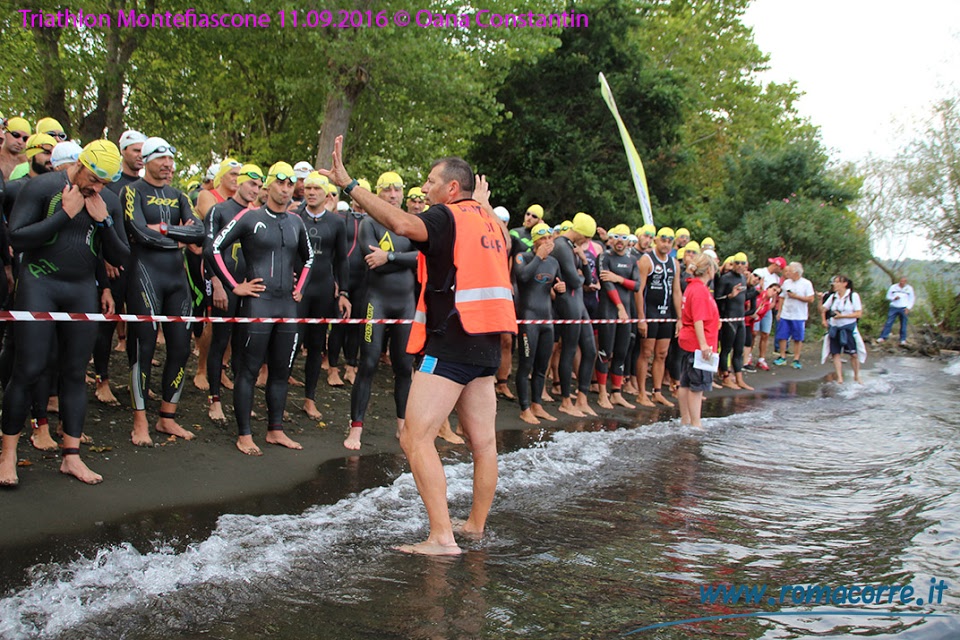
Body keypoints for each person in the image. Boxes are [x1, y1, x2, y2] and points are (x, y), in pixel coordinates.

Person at [321, 136, 516, 555]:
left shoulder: (447, 216)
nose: (423, 189)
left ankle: (442, 538)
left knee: (415, 437)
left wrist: (350, 185)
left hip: (451, 341)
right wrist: (482, 204)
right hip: (486, 344)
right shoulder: (488, 222)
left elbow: (403, 225)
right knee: (484, 444)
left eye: (430, 181)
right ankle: (475, 527)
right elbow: (508, 244)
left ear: (450, 189)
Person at [0, 140, 129, 486]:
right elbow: (18, 239)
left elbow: (120, 257)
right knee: (28, 368)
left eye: (105, 183)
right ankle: (8, 454)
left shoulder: (108, 202)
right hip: (39, 283)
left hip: (80, 290)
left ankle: (71, 457)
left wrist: (104, 223)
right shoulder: (42, 188)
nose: (97, 188)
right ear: (81, 164)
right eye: (94, 180)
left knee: (74, 373)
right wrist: (65, 215)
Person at [210, 161, 314, 455]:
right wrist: (234, 286)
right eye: (280, 183)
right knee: (248, 370)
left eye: (290, 184)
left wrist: (300, 288)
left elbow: (308, 259)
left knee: (281, 371)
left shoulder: (296, 222)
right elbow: (214, 248)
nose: (285, 189)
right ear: (268, 187)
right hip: (257, 302)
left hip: (287, 305)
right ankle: (244, 434)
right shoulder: (250, 216)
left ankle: (275, 430)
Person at [122, 137, 206, 446]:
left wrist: (165, 230)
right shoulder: (131, 191)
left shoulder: (179, 194)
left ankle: (166, 418)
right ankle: (140, 420)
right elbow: (139, 231)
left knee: (181, 347)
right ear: (146, 161)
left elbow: (199, 232)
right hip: (144, 274)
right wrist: (176, 237)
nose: (169, 165)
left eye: (171, 160)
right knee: (143, 347)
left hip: (175, 278)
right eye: (162, 159)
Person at [343, 170, 417, 450]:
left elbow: (422, 258)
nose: (394, 195)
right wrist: (401, 259)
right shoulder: (369, 223)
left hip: (405, 303)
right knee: (369, 363)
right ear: (378, 193)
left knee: (403, 367)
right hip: (377, 302)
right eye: (388, 190)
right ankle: (356, 429)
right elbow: (369, 258)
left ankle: (402, 427)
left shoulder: (412, 223)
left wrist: (389, 256)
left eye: (398, 190)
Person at [202, 164, 264, 423]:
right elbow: (209, 250)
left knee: (242, 344)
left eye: (260, 186)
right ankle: (214, 400)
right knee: (220, 341)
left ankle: (241, 399)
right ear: (239, 182)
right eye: (251, 184)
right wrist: (217, 283)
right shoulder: (220, 210)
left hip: (248, 287)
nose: (255, 190)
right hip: (225, 285)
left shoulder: (257, 214)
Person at [296, 172, 349, 416]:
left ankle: (310, 398)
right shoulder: (294, 216)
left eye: (317, 188)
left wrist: (344, 292)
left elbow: (341, 260)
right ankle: (277, 397)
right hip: (297, 292)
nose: (311, 192)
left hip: (322, 290)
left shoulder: (337, 222)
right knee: (288, 344)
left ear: (327, 194)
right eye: (308, 187)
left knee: (316, 346)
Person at [551, 212, 600, 417]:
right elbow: (573, 280)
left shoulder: (572, 248)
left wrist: (583, 260)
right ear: (580, 232)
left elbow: (587, 280)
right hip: (568, 303)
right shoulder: (561, 246)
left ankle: (582, 397)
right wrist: (579, 276)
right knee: (569, 350)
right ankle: (565, 400)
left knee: (590, 350)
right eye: (587, 238)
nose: (588, 242)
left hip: (578, 303)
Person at [514, 222, 562, 424]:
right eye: (543, 238)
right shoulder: (523, 257)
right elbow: (523, 277)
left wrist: (561, 288)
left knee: (542, 366)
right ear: (535, 240)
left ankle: (537, 405)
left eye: (550, 238)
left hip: (546, 319)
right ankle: (524, 408)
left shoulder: (553, 262)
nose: (548, 242)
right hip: (528, 318)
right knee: (526, 365)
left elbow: (558, 284)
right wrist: (538, 257)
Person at [636, 226, 682, 407]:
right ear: (656, 240)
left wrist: (679, 318)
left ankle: (656, 392)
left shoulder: (674, 263)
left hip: (667, 314)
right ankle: (641, 393)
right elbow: (639, 291)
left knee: (662, 354)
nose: (666, 244)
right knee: (646, 353)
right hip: (650, 313)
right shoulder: (646, 260)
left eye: (669, 241)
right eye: (663, 240)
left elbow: (676, 292)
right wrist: (641, 317)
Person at [596, 224, 640, 409]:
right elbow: (606, 283)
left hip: (626, 313)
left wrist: (619, 278)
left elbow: (637, 285)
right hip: (609, 310)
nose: (620, 242)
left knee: (622, 353)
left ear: (628, 240)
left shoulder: (632, 260)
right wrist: (620, 307)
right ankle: (602, 394)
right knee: (605, 353)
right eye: (616, 237)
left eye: (623, 238)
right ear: (611, 239)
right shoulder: (604, 257)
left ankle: (616, 393)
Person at [677, 253, 720, 428]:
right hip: (697, 344)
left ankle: (686, 419)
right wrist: (703, 345)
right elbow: (698, 319)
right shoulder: (700, 290)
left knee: (685, 381)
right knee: (697, 384)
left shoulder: (691, 287)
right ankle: (695, 423)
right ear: (709, 270)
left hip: (689, 341)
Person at [821, 275, 864, 383]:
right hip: (835, 327)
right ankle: (840, 377)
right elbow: (823, 309)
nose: (834, 284)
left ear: (845, 284)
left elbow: (858, 314)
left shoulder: (853, 296)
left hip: (848, 328)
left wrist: (843, 316)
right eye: (834, 282)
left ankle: (856, 375)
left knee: (853, 354)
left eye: (837, 282)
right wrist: (824, 320)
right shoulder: (833, 297)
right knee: (835, 353)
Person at [773, 261, 815, 369]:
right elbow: (782, 297)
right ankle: (782, 356)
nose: (787, 273)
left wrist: (797, 297)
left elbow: (811, 299)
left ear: (796, 272)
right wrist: (779, 312)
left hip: (799, 315)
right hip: (786, 314)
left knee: (798, 338)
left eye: (790, 271)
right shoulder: (787, 283)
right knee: (782, 336)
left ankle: (796, 358)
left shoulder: (806, 283)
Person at [751, 256, 785, 370]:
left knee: (765, 334)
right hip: (757, 305)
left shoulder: (776, 278)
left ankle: (762, 359)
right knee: (754, 332)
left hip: (768, 308)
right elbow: (753, 287)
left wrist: (773, 304)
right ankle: (748, 355)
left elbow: (775, 294)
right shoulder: (760, 272)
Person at [878, 276, 915, 345]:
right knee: (889, 322)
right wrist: (893, 298)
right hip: (894, 307)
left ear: (906, 282)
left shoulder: (909, 289)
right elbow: (887, 296)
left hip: (904, 308)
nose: (902, 283)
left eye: (903, 281)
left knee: (903, 323)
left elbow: (911, 299)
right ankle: (883, 337)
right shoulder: (893, 287)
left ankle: (903, 339)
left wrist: (908, 308)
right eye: (901, 281)